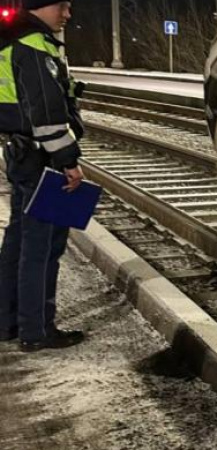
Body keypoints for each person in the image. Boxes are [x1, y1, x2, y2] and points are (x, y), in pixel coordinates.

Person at [0, 0, 86, 352]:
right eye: (62, 7)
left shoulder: (9, 41)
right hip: (42, 159)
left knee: (18, 241)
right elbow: (48, 114)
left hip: (20, 153)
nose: (67, 14)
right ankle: (37, 331)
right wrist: (69, 162)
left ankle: (6, 322)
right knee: (44, 246)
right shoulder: (34, 46)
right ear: (41, 6)